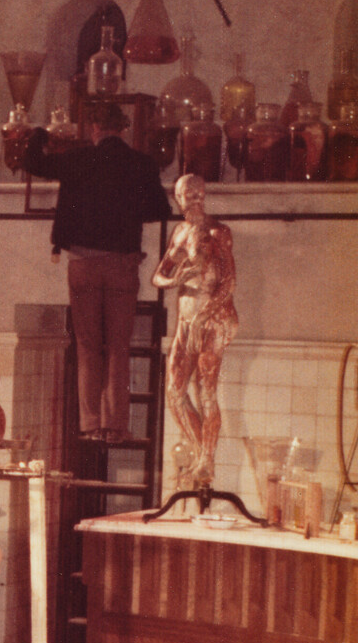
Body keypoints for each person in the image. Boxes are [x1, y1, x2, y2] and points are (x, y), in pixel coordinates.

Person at [25, 101, 169, 441]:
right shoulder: (141, 164)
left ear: (93, 129)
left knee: (88, 345)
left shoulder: (77, 161)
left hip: (84, 265)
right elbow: (159, 209)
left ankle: (90, 425)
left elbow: (33, 162)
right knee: (118, 346)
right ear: (123, 128)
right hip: (122, 265)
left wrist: (39, 134)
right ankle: (115, 426)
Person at [152, 172, 238, 487]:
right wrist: (174, 280)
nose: (197, 200)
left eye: (201, 194)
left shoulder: (218, 232)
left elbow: (229, 281)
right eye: (191, 195)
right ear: (180, 198)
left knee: (206, 392)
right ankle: (202, 455)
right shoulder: (180, 233)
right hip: (186, 321)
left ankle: (206, 462)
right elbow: (159, 276)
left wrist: (209, 312)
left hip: (211, 321)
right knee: (175, 392)